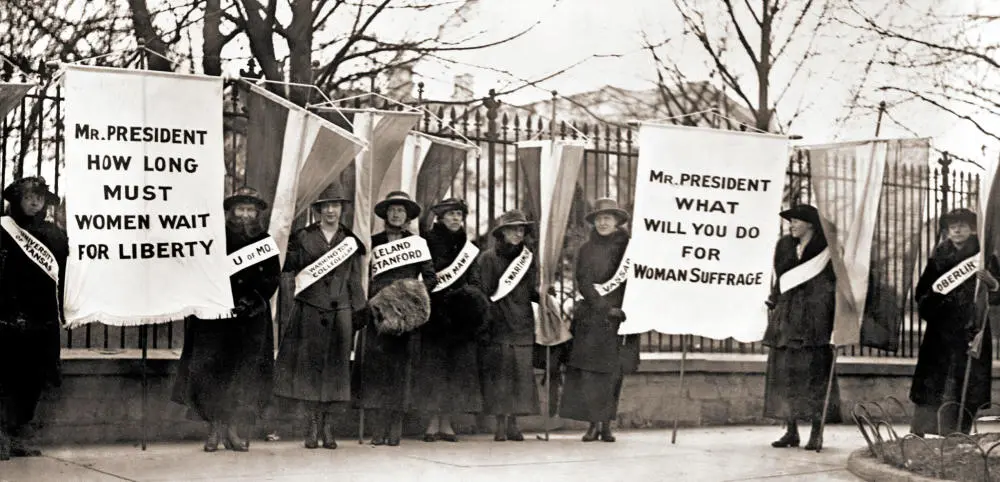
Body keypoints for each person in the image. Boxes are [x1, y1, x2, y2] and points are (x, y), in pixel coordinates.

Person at [171, 186, 281, 452]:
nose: (245, 215)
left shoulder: (265, 242)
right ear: (231, 212)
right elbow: (200, 272)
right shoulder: (213, 239)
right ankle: (214, 429)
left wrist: (254, 299)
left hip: (250, 318)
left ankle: (232, 429)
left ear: (257, 213)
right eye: (240, 209)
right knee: (212, 372)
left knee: (243, 374)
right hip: (216, 317)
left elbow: (272, 277)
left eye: (250, 210)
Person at [273, 185, 366, 449]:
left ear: (342, 209)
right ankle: (312, 425)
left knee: (337, 370)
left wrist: (359, 310)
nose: (330, 210)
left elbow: (354, 279)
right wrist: (282, 238)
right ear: (317, 210)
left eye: (335, 205)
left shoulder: (350, 240)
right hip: (311, 308)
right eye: (325, 206)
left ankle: (328, 426)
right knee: (310, 370)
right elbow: (287, 266)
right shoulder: (302, 237)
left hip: (341, 311)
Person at [357, 191, 437, 446]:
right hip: (378, 314)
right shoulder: (373, 242)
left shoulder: (417, 244)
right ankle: (378, 428)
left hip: (405, 318)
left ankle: (395, 428)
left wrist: (407, 296)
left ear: (407, 216)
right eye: (392, 210)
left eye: (401, 211)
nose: (396, 214)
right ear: (385, 214)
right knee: (377, 371)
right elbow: (362, 276)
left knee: (400, 371)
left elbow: (431, 278)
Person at [910, 208, 999, 436]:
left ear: (972, 229)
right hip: (940, 330)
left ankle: (957, 435)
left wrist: (993, 284)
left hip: (971, 329)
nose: (957, 230)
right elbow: (922, 292)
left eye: (962, 225)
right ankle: (921, 433)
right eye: (952, 226)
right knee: (933, 383)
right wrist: (933, 305)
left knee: (963, 385)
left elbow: (997, 296)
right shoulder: (938, 255)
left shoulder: (985, 256)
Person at [559, 198, 640, 442]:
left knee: (613, 375)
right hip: (592, 318)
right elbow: (583, 281)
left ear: (617, 221)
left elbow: (636, 282)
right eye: (599, 218)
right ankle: (593, 424)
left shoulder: (631, 248)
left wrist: (624, 309)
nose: (603, 222)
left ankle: (606, 425)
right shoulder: (586, 249)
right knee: (590, 375)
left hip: (620, 320)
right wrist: (604, 307)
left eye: (608, 218)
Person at [763, 204, 841, 451]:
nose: (792, 225)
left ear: (810, 224)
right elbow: (780, 278)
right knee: (785, 375)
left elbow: (835, 283)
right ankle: (791, 431)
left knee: (814, 376)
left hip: (814, 321)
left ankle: (816, 432)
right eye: (791, 222)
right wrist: (774, 301)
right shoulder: (784, 246)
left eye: (796, 221)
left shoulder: (826, 249)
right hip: (787, 319)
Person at [0, 177, 67, 460]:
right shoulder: (4, 229)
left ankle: (19, 434)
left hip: (43, 318)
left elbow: (66, 270)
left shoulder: (54, 233)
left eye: (39, 196)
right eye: (28, 196)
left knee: (34, 379)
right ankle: (1, 435)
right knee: (6, 378)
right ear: (17, 199)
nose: (34, 201)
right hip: (9, 316)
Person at [412, 198, 488, 442]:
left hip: (460, 316)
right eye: (451, 214)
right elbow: (425, 274)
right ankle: (432, 422)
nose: (456, 219)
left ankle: (447, 422)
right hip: (435, 314)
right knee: (434, 370)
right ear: (440, 218)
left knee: (456, 371)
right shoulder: (427, 241)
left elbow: (475, 278)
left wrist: (471, 296)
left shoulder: (469, 246)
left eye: (459, 214)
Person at [476, 209, 541, 442]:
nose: (517, 233)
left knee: (521, 376)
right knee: (501, 377)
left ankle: (514, 423)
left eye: (521, 229)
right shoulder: (488, 258)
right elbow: (484, 293)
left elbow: (531, 290)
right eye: (513, 228)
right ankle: (500, 424)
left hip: (522, 322)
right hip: (499, 324)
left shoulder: (528, 258)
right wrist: (490, 319)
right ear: (501, 232)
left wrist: (545, 297)